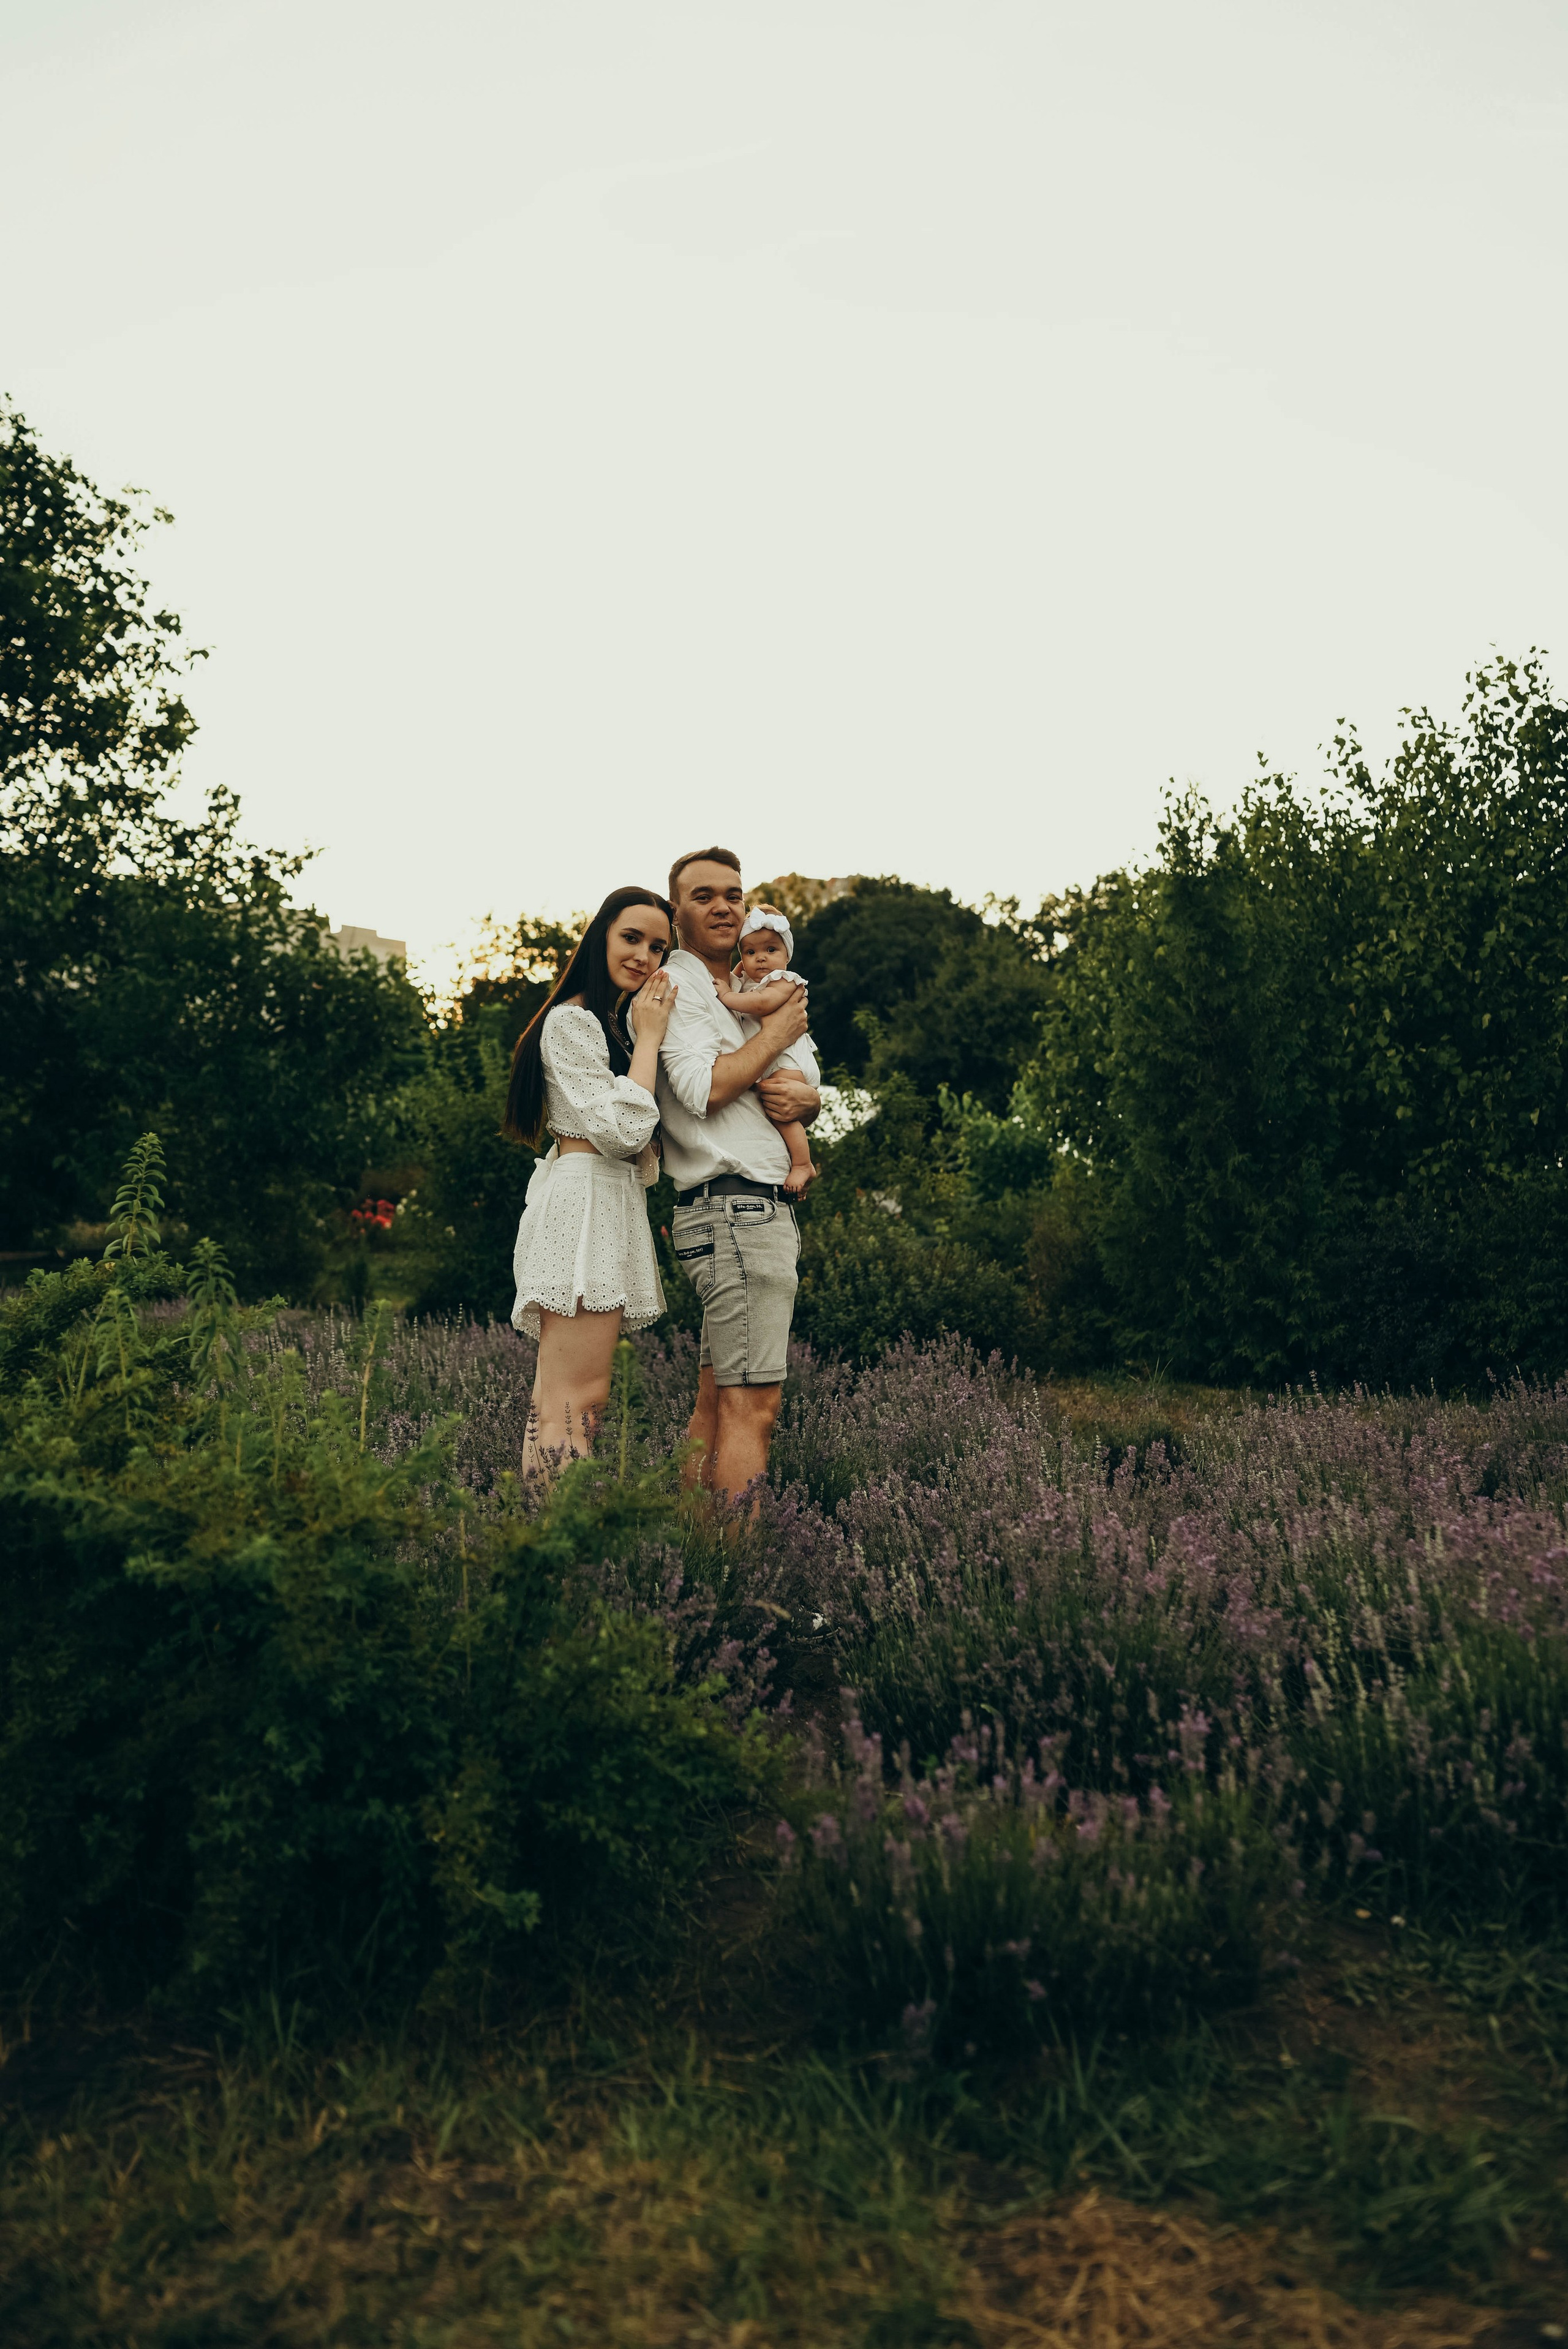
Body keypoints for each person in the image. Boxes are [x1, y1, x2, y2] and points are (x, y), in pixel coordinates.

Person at [642, 846, 820, 1498]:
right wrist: (775, 1037)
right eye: (703, 895)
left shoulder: (745, 989)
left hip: (737, 1213)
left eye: (733, 894)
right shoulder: (683, 986)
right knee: (754, 1410)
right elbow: (699, 1088)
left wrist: (811, 1099)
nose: (723, 905)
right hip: (737, 1213)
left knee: (717, 1405)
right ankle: (732, 1578)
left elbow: (790, 1083)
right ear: (677, 911)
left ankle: (696, 1558)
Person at [503, 886, 677, 1476]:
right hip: (587, 1205)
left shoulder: (606, 1024)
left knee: (562, 1404)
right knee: (577, 1404)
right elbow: (626, 1134)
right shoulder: (574, 1021)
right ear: (601, 935)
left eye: (658, 946)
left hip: (600, 1198)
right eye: (632, 937)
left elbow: (640, 1150)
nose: (644, 955)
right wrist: (651, 1039)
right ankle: (557, 1549)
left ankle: (539, 1542)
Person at [712, 908, 817, 1198]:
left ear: (786, 955)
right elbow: (736, 980)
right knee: (773, 1108)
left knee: (780, 1110)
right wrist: (733, 979)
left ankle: (803, 1163)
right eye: (750, 951)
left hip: (787, 1061)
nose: (761, 958)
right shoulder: (749, 979)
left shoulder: (783, 981)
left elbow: (761, 1004)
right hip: (771, 1057)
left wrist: (726, 996)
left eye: (771, 949)